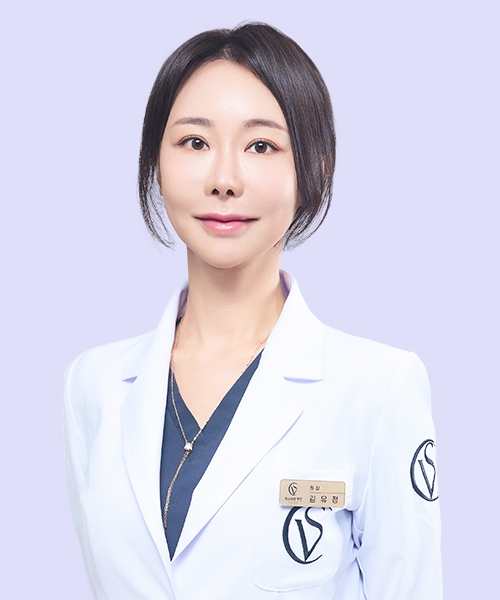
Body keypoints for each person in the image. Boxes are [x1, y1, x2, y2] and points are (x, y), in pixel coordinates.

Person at [64, 22, 442, 600]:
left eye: (261, 146)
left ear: (314, 170)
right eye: (194, 143)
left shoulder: (380, 389)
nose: (224, 180)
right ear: (156, 164)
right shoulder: (92, 385)